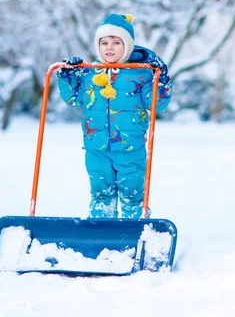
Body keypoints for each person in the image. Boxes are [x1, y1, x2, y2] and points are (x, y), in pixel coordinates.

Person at [56, 13, 172, 219]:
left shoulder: (141, 74)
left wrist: (161, 80)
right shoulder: (90, 73)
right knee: (101, 195)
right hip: (96, 150)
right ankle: (101, 232)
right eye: (104, 42)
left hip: (130, 149)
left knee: (133, 195)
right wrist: (67, 77)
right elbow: (74, 98)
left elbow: (158, 104)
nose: (109, 47)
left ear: (127, 46)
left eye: (116, 42)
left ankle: (135, 231)